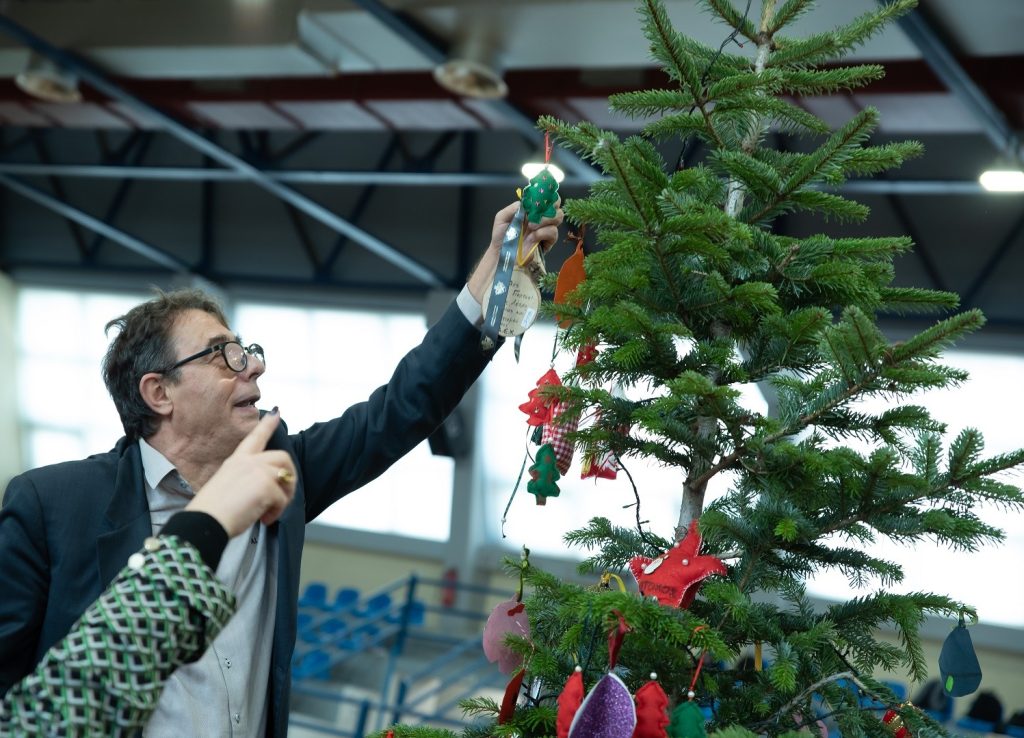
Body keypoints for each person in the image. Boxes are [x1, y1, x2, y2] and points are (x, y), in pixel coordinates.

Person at [0, 199, 563, 736]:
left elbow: (402, 407)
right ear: (159, 393)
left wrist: (498, 268)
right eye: (224, 354)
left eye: (246, 349)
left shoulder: (283, 473)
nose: (256, 367)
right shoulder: (50, 507)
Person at [0, 411, 296, 735]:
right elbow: (70, 707)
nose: (254, 367)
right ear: (158, 393)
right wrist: (207, 523)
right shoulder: (51, 496)